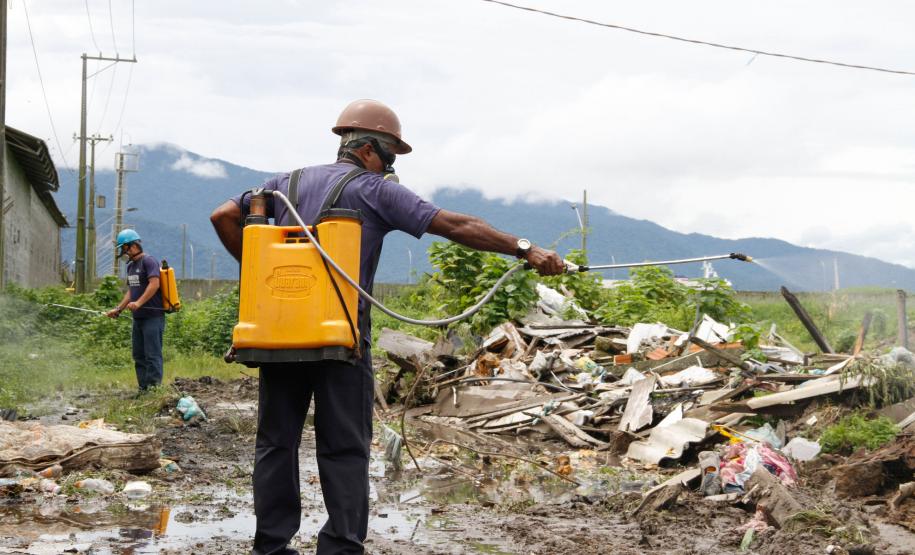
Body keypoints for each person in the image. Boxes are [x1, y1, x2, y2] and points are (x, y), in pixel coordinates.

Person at [210, 99, 565, 555]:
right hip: (340, 340)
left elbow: (222, 215)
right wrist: (525, 248)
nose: (392, 165)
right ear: (370, 149)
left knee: (276, 443)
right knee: (344, 448)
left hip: (278, 335)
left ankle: (271, 548)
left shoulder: (282, 185)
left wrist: (261, 274)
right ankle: (340, 548)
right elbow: (457, 224)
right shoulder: (375, 190)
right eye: (391, 155)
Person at [105, 229, 166, 392]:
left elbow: (154, 284)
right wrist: (118, 309)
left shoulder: (149, 261)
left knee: (152, 354)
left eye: (123, 248)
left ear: (131, 246)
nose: (122, 252)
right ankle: (143, 389)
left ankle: (154, 389)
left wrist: (139, 303)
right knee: (139, 355)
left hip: (153, 317)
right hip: (138, 319)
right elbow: (131, 291)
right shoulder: (131, 266)